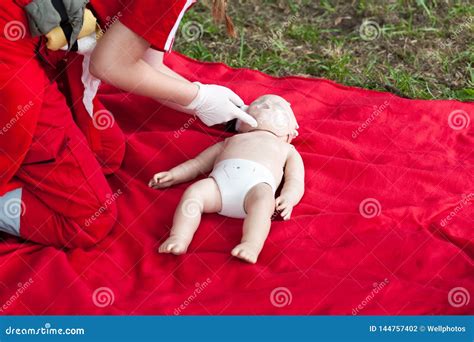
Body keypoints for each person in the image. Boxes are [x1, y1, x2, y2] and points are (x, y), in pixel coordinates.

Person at [0, 0, 252, 248]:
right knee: (91, 219)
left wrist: (226, 112)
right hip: (12, 36)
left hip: (36, 28)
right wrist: (200, 99)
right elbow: (109, 65)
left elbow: (147, 65)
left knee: (105, 152)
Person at [149, 95, 304, 264]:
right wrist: (174, 175)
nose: (266, 106)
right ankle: (179, 237)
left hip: (256, 189)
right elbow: (198, 163)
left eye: (278, 107)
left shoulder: (287, 149)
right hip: (218, 186)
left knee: (264, 203)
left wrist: (289, 198)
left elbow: (295, 180)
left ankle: (251, 244)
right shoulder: (231, 140)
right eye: (258, 104)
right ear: (241, 121)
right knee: (195, 192)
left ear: (291, 133)